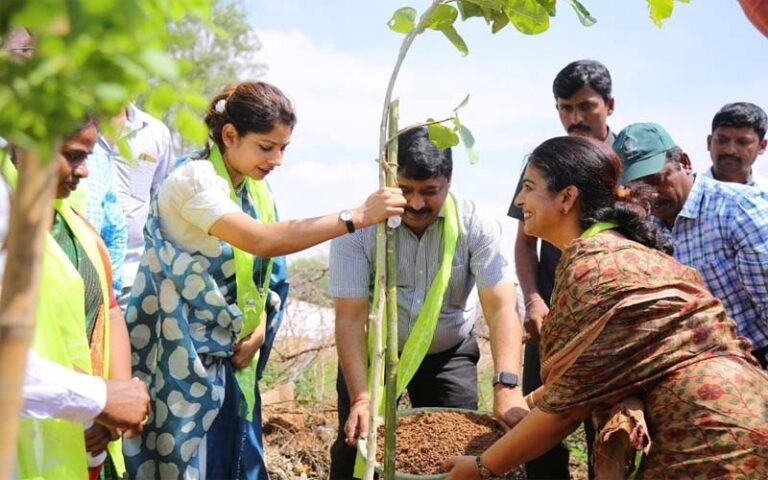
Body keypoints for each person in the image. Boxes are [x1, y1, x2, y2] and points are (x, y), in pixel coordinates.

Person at [123, 81, 405, 480]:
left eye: (284, 148)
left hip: (232, 358)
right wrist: (355, 216)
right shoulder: (194, 182)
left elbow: (265, 279)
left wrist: (256, 328)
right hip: (180, 359)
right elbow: (262, 241)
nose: (277, 159)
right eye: (266, 147)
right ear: (230, 135)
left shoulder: (256, 191)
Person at [444, 136, 768, 480]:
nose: (520, 200)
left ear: (567, 198)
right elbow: (592, 371)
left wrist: (481, 467)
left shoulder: (592, 269)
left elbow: (566, 412)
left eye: (528, 187)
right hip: (744, 413)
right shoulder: (620, 251)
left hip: (709, 436)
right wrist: (528, 402)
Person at [329, 126, 525, 480]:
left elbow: (501, 309)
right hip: (376, 356)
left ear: (448, 182)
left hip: (447, 354)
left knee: (457, 456)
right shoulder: (358, 229)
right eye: (405, 191)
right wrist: (360, 396)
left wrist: (507, 387)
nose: (417, 204)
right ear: (389, 179)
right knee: (354, 450)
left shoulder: (477, 224)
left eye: (429, 192)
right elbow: (350, 318)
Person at [5, 120, 133, 479]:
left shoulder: (76, 225)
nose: (85, 171)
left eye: (87, 156)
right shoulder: (8, 223)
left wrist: (112, 407)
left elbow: (109, 309)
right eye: (73, 156)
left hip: (90, 431)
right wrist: (96, 400)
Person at [508, 58, 615, 480]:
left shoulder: (627, 159)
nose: (575, 118)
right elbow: (523, 241)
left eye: (585, 107)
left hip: (605, 320)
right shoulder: (545, 163)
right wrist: (534, 299)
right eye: (565, 108)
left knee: (607, 431)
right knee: (540, 426)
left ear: (609, 105)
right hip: (550, 321)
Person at [614, 122, 768, 368]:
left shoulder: (739, 211)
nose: (651, 194)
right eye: (637, 188)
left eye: (657, 179)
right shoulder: (644, 228)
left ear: (684, 163)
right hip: (704, 366)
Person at [92, 102, 174, 305]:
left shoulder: (156, 133)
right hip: (77, 266)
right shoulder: (68, 126)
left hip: (133, 276)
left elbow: (163, 203)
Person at [705, 101, 767, 186]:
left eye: (742, 142)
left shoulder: (764, 193)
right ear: (709, 142)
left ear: (762, 146)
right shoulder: (687, 193)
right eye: (722, 140)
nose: (730, 150)